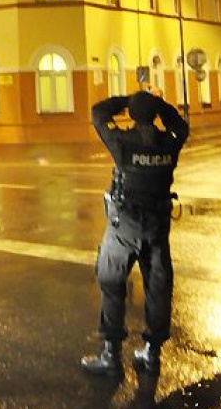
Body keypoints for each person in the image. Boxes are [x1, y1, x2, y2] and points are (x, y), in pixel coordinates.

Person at [81, 89, 189, 376]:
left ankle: (111, 356)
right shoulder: (169, 142)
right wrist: (157, 105)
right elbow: (180, 125)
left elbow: (98, 113)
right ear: (154, 115)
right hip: (157, 228)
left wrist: (127, 100)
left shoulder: (122, 142)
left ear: (132, 114)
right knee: (158, 289)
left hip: (124, 227)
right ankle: (152, 354)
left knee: (112, 284)